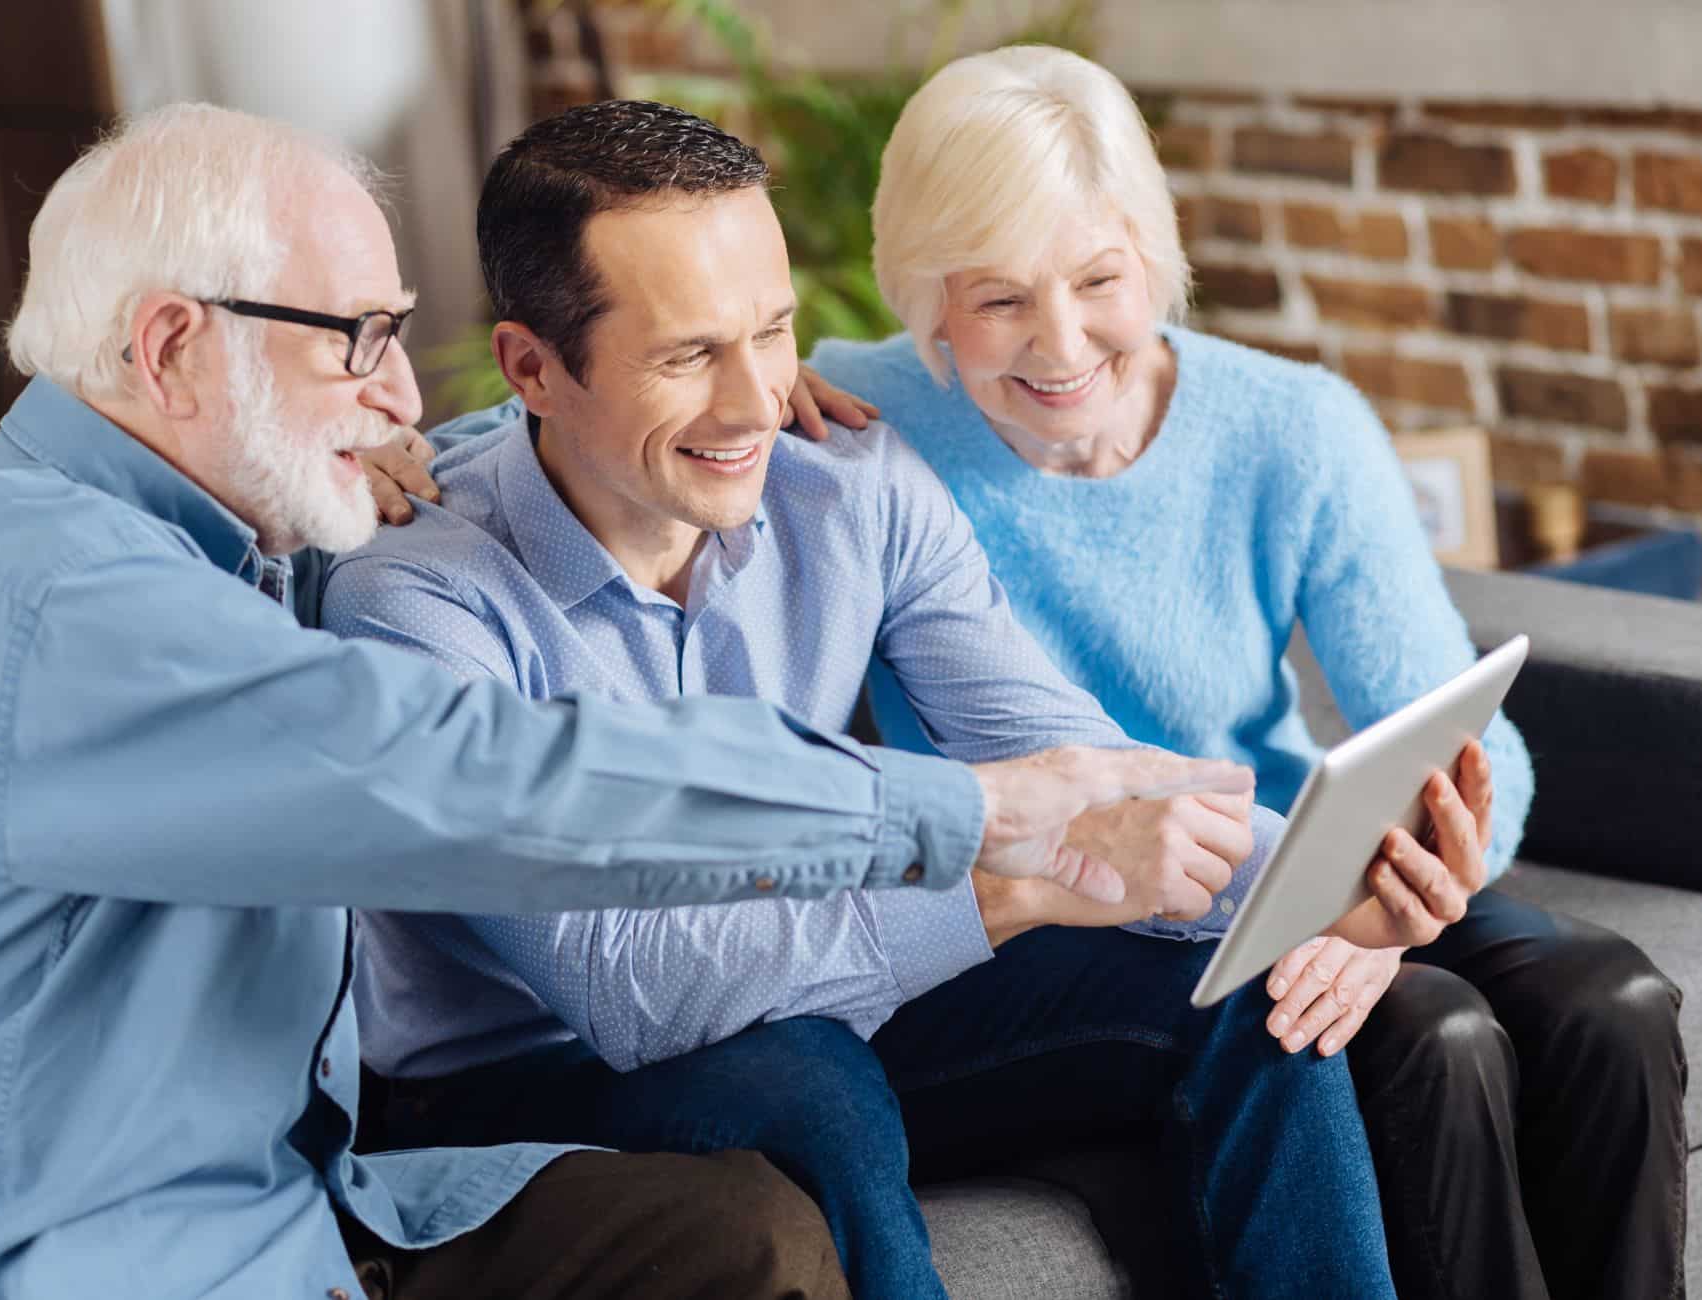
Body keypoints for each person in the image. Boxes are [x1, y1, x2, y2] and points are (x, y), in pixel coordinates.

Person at [0, 103, 1250, 1300]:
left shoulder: (206, 541)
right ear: (167, 348)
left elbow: (481, 458)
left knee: (739, 1238)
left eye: (396, 338)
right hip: (54, 1263)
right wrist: (970, 816)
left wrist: (661, 404)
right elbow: (488, 781)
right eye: (356, 340)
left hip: (302, 1206)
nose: (398, 394)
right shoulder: (59, 606)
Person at [324, 100, 1487, 1300]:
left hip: (818, 984)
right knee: (802, 1077)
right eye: (687, 355)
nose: (754, 402)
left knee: (1246, 997)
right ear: (531, 367)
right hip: (531, 1067)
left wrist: (1328, 882)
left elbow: (1074, 758)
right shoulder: (417, 607)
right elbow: (631, 990)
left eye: (770, 333)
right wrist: (1011, 886)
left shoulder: (847, 485)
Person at [799, 46, 1686, 1300]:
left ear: (1152, 261)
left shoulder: (1292, 427)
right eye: (995, 300)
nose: (1058, 345)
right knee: (1432, 1033)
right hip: (1060, 915)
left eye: (1099, 280)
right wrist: (413, 453)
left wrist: (1390, 900)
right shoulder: (851, 408)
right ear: (922, 299)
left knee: (1611, 1000)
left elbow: (1465, 744)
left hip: (1285, 857)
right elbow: (621, 403)